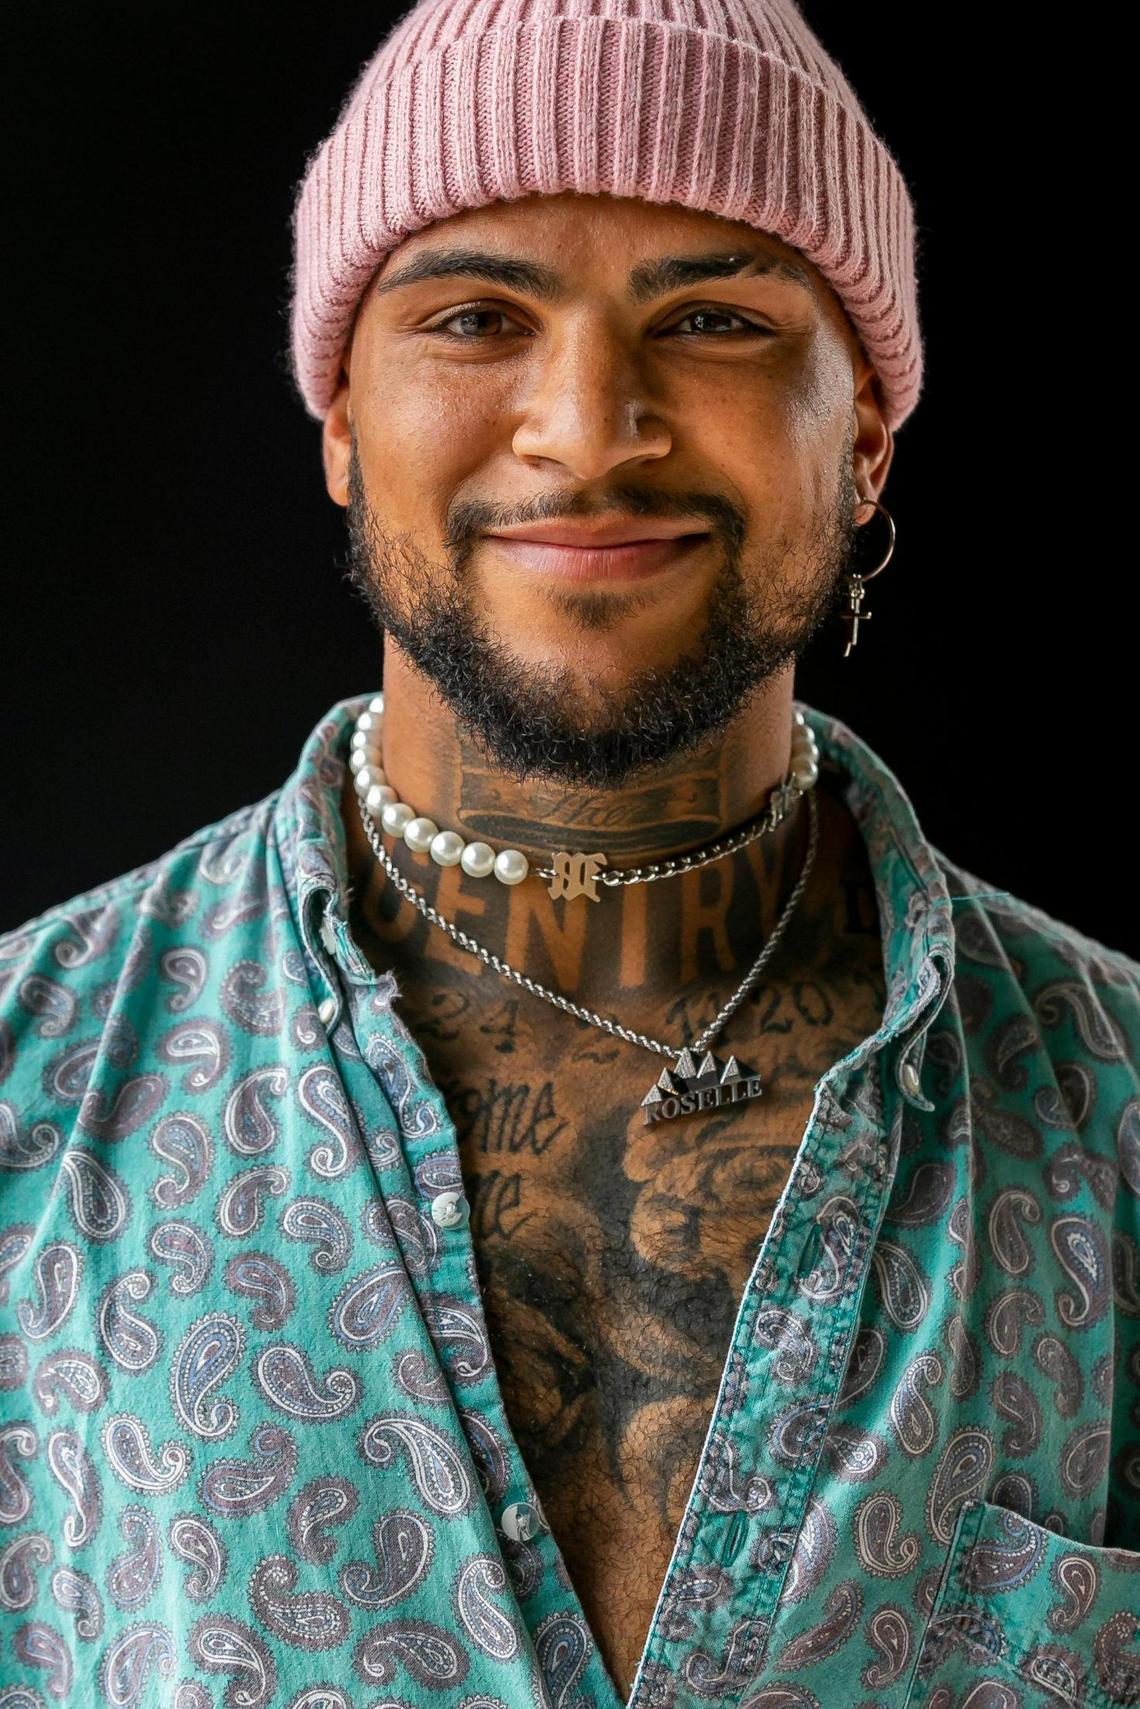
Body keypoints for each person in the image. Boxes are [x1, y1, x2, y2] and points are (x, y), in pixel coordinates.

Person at [2, 1, 1138, 1704]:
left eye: (713, 317)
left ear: (870, 434)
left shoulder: (1114, 1125)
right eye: (474, 315)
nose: (590, 425)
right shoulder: (26, 1097)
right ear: (337, 421)